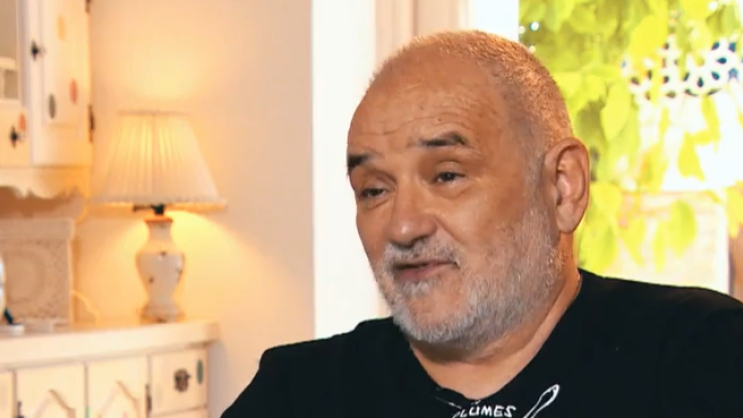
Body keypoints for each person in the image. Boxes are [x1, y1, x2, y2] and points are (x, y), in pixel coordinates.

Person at [221, 30, 743, 418]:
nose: (403, 226)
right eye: (374, 190)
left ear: (563, 186)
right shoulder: (299, 392)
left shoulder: (705, 357)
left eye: (447, 175)